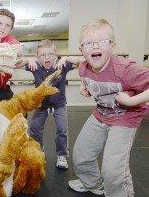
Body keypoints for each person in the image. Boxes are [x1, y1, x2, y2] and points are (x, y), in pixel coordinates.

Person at [56, 18, 149, 196]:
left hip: (125, 118)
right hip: (101, 114)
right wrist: (86, 87)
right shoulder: (85, 67)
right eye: (89, 43)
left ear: (113, 46)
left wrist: (131, 101)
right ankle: (93, 183)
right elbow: (84, 72)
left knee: (113, 170)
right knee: (81, 155)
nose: (96, 47)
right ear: (82, 49)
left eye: (103, 41)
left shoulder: (125, 69)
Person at [15, 39, 82, 170]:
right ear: (38, 57)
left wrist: (66, 58)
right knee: (34, 127)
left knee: (62, 129)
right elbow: (16, 64)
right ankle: (39, 149)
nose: (47, 57)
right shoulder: (36, 66)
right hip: (42, 104)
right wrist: (28, 60)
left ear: (55, 55)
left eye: (50, 54)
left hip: (59, 104)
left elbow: (82, 63)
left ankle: (61, 155)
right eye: (43, 55)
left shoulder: (62, 65)